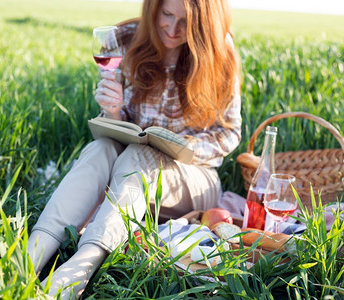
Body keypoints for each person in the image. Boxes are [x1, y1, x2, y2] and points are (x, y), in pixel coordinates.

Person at [27, 0, 242, 298]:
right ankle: (28, 258)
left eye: (186, 22)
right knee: (101, 147)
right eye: (166, 14)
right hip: (129, 172)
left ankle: (80, 269)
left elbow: (230, 133)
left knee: (140, 156)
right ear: (154, 8)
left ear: (205, 25)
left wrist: (182, 147)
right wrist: (112, 111)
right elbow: (116, 129)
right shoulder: (126, 38)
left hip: (193, 178)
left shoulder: (221, 50)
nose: (172, 28)